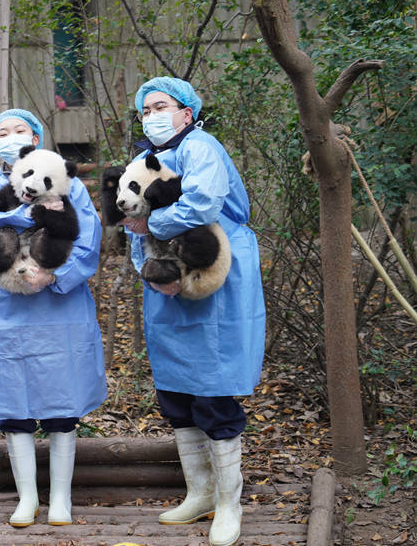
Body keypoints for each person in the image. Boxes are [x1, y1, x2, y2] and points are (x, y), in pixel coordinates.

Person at [126, 77, 266, 546]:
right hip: (167, 279)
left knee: (214, 392)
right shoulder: (146, 159)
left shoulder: (201, 147)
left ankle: (230, 504)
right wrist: (148, 264)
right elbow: (130, 222)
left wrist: (154, 223)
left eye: (160, 106)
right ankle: (200, 493)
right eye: (145, 110)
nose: (152, 116)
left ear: (186, 111)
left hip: (215, 272)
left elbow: (202, 202)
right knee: (177, 395)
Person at [0, 109, 106, 528]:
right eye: (1, 133)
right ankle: (27, 498)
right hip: (9, 304)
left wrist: (53, 273)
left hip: (60, 305)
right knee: (14, 407)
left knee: (63, 405)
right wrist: (11, 271)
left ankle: (60, 498)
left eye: (19, 130)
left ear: (37, 136)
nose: (10, 137)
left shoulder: (64, 177)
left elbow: (89, 237)